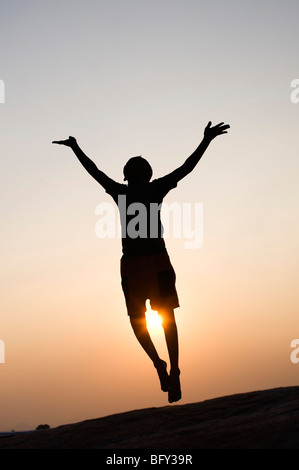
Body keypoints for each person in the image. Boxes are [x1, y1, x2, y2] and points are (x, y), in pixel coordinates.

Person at [53, 121, 230, 403]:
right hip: (150, 261)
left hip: (139, 263)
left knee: (143, 322)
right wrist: (206, 140)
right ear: (145, 175)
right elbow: (186, 167)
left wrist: (76, 148)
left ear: (129, 176)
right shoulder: (150, 189)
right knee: (161, 319)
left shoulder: (124, 192)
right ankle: (169, 367)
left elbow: (95, 172)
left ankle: (164, 366)